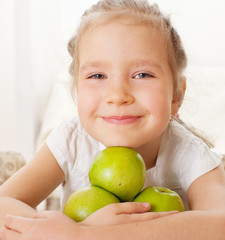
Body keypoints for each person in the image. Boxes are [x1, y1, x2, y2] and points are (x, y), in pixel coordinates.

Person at [0, 0, 225, 239]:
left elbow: (220, 222)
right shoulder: (70, 141)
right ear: (77, 91)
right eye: (97, 75)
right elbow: (5, 203)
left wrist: (87, 234)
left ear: (176, 96)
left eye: (142, 74)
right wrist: (58, 232)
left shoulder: (188, 152)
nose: (118, 95)